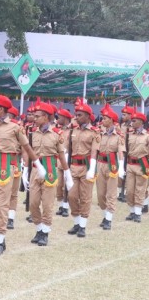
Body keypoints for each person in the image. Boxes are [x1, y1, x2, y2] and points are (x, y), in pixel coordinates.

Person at [0, 88, 41, 256]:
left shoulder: (15, 127)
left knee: (1, 205)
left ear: (2, 109)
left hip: (6, 167)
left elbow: (26, 147)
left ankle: (0, 240)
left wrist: (36, 164)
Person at [28, 100, 69, 246]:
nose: (34, 118)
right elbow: (29, 152)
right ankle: (39, 228)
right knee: (33, 203)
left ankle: (45, 232)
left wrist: (67, 173)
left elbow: (62, 155)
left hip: (51, 170)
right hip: (35, 170)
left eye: (37, 116)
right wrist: (25, 170)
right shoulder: (32, 133)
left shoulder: (57, 134)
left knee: (47, 204)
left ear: (45, 117)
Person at [63, 98, 101, 238]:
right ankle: (76, 222)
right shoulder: (73, 130)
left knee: (85, 197)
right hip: (73, 167)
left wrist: (92, 169)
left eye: (79, 115)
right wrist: (65, 168)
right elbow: (66, 149)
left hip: (86, 167)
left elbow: (94, 151)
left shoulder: (94, 132)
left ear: (87, 116)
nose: (76, 117)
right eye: (76, 114)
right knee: (72, 196)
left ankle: (82, 226)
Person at [96, 105, 125, 230]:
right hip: (100, 164)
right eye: (102, 118)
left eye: (105, 118)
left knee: (111, 193)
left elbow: (121, 152)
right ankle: (105, 215)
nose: (102, 120)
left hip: (112, 165)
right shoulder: (100, 134)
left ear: (112, 120)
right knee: (100, 194)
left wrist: (121, 167)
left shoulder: (119, 136)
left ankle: (108, 219)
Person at [123, 111, 149, 221]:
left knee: (140, 190)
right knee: (129, 190)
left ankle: (138, 213)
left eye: (134, 121)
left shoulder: (147, 136)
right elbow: (126, 151)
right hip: (130, 165)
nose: (131, 123)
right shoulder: (129, 135)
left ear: (141, 122)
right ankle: (132, 212)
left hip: (142, 165)